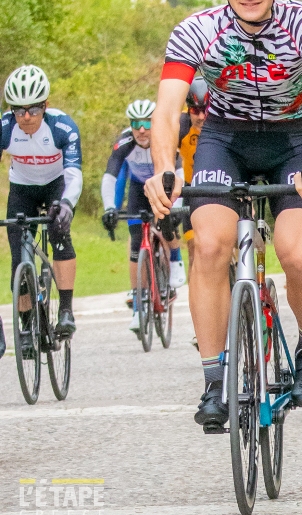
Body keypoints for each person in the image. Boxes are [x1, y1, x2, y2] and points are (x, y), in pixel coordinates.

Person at [144, 0, 302, 431]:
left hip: (294, 139)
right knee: (210, 245)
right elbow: (165, 112)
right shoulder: (196, 30)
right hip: (225, 138)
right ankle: (215, 380)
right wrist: (164, 168)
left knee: (297, 251)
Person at [1, 65, 82, 353]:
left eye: (33, 109)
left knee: (60, 234)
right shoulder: (5, 128)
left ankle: (66, 310)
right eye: (19, 110)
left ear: (45, 106)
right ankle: (26, 325)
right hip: (22, 189)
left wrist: (67, 204)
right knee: (18, 259)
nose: (26, 117)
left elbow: (73, 174)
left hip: (56, 186)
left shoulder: (62, 127)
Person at [101, 100, 186, 333]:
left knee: (168, 223)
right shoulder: (125, 143)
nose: (141, 130)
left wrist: (178, 206)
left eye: (147, 123)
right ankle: (139, 307)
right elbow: (110, 176)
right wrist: (110, 208)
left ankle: (175, 259)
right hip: (139, 189)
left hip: (164, 185)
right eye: (136, 124)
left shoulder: (164, 137)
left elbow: (179, 171)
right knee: (136, 241)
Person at [178, 76, 208, 262]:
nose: (201, 117)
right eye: (195, 111)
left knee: (232, 243)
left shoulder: (223, 122)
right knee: (193, 250)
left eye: (206, 110)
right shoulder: (182, 124)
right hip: (191, 189)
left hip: (222, 186)